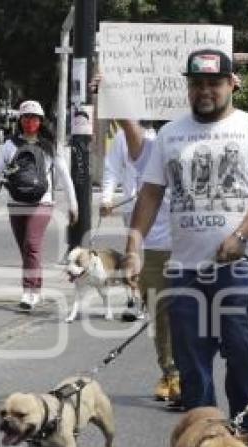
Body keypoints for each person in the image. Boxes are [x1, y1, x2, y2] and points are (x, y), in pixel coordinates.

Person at [125, 49, 248, 447]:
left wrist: (240, 235)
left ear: (232, 84)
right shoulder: (171, 135)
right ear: (188, 87)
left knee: (245, 352)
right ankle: (202, 440)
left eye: (214, 82)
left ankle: (246, 434)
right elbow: (151, 195)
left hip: (242, 264)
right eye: (197, 83)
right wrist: (135, 244)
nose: (205, 90)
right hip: (186, 268)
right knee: (191, 361)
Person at [0, 100, 78, 310]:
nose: (29, 121)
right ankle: (36, 287)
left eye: (34, 118)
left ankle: (29, 292)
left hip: (42, 202)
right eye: (26, 117)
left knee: (32, 246)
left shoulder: (49, 146)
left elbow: (65, 176)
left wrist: (73, 204)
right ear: (20, 120)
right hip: (16, 203)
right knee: (26, 250)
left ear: (41, 121)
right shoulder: (10, 145)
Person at [111, 120, 181, 403]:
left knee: (194, 317)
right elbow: (132, 132)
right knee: (161, 316)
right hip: (157, 247)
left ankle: (191, 374)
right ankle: (172, 373)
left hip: (198, 248)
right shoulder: (154, 148)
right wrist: (115, 96)